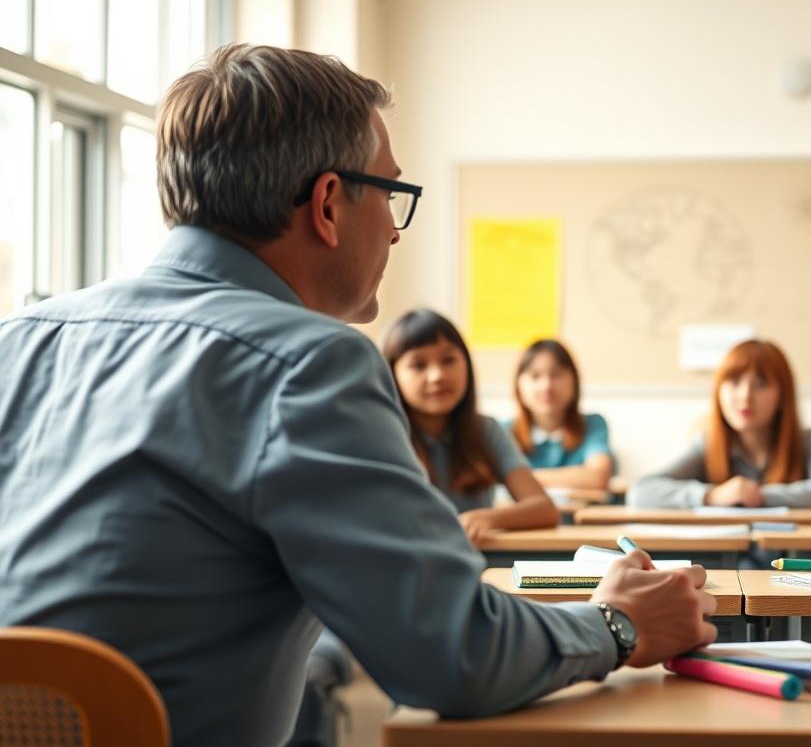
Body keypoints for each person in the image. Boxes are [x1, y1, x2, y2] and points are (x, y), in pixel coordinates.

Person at [0, 44, 716, 747]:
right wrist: (617, 624)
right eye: (393, 194)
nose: (396, 233)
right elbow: (450, 655)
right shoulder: (307, 364)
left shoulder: (18, 340)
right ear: (329, 204)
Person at [385, 310, 559, 544]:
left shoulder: (487, 431)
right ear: (391, 375)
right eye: (418, 365)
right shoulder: (384, 434)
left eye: (448, 360)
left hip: (475, 568)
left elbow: (544, 509)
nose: (437, 375)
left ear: (466, 365)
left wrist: (487, 519)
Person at [629, 339, 811, 508]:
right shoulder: (708, 443)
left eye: (760, 384)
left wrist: (760, 496)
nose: (745, 396)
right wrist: (712, 495)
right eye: (734, 382)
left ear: (782, 396)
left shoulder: (808, 441)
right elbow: (641, 491)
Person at [504, 338, 614, 491]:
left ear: (574, 381)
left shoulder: (592, 425)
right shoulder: (504, 431)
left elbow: (597, 477)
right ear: (518, 386)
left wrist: (521, 478)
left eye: (556, 374)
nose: (546, 386)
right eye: (535, 376)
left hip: (576, 515)